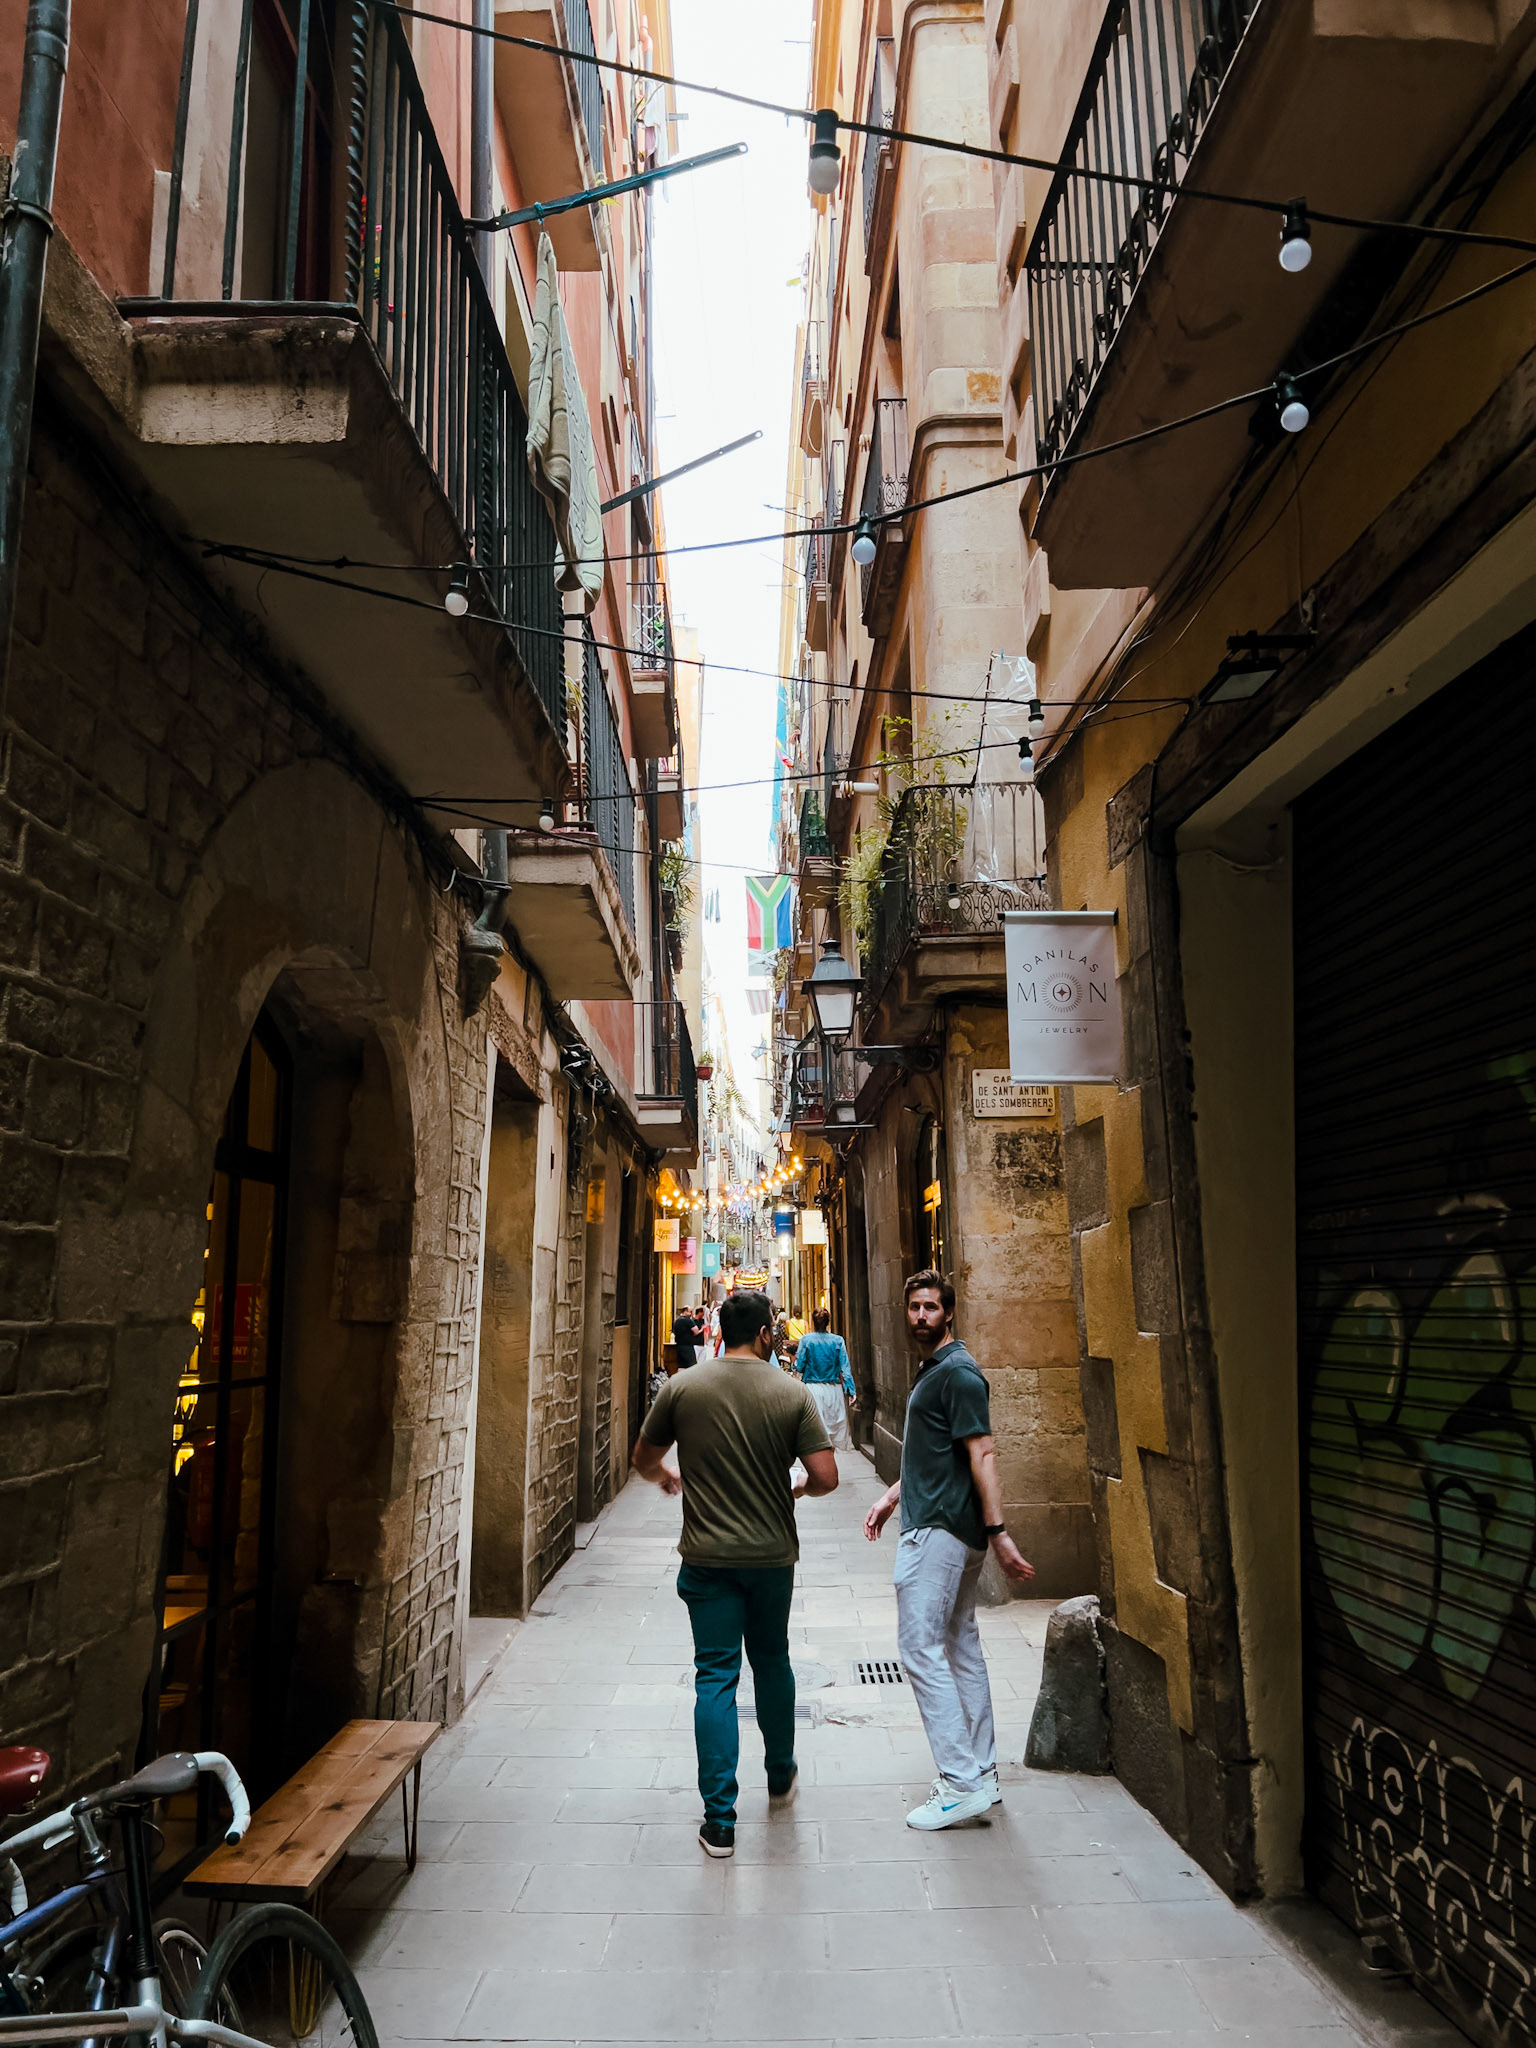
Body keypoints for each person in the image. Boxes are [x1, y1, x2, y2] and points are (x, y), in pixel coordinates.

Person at [633, 1289, 839, 1860]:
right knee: (772, 1662)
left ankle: (720, 1820)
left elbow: (643, 1460)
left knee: (715, 1677)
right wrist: (796, 1486)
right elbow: (826, 1476)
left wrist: (667, 1477)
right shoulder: (790, 1393)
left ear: (719, 1331)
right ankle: (779, 1774)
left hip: (707, 1558)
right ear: (767, 1333)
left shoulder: (683, 1388)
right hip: (772, 1559)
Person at [864, 1268, 1035, 1830]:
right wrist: (893, 1495)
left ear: (949, 1313)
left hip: (940, 1530)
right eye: (913, 1307)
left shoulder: (958, 1373)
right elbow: (932, 1451)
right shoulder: (936, 1371)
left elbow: (982, 1453)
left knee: (918, 1647)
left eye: (930, 1307)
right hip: (937, 1520)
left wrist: (999, 1530)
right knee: (959, 1642)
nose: (920, 1316)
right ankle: (981, 1773)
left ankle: (960, 1783)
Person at [796, 1307, 857, 1450]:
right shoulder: (837, 1341)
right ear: (828, 1322)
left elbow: (799, 1366)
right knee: (833, 1429)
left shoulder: (806, 1340)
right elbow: (845, 1368)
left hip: (812, 1389)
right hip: (834, 1390)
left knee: (817, 1432)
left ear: (813, 1322)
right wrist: (851, 1390)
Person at [671, 1303, 700, 1369]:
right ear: (685, 1311)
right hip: (688, 1346)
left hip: (679, 1345)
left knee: (681, 1365)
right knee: (691, 1365)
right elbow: (696, 1331)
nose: (691, 1314)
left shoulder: (677, 1321)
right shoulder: (688, 1321)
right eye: (690, 1312)